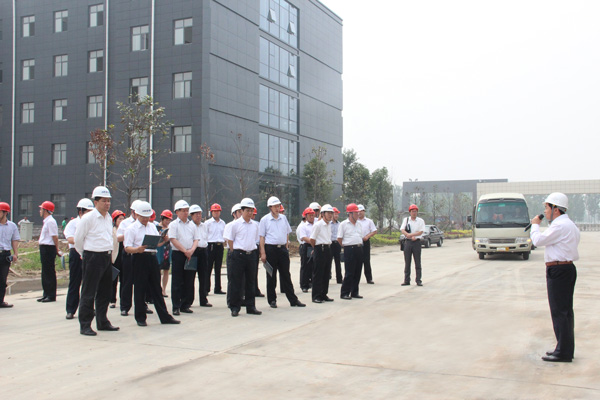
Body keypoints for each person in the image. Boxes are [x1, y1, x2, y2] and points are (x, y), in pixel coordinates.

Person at [530, 193, 580, 363]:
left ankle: (563, 352)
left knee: (559, 312)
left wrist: (535, 225)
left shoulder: (559, 226)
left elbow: (537, 240)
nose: (545, 211)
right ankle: (565, 348)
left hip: (559, 270)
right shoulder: (570, 225)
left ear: (556, 209)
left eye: (547, 207)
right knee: (565, 312)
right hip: (566, 269)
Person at [124, 201, 180, 327]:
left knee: (156, 288)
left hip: (152, 257)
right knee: (140, 288)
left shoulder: (152, 227)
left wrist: (164, 240)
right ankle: (140, 317)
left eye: (147, 217)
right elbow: (127, 247)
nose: (145, 219)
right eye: (143, 217)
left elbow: (156, 244)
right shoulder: (131, 229)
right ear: (137, 215)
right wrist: (137, 249)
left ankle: (164, 316)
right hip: (139, 257)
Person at [74, 186, 119, 336]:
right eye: (104, 201)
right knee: (89, 292)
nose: (107, 204)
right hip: (92, 257)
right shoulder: (88, 218)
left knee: (105, 291)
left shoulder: (108, 218)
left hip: (106, 256)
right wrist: (85, 254)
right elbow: (78, 240)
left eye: (109, 201)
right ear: (96, 202)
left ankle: (102, 321)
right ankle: (85, 324)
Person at [258, 196, 305, 309]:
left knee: (286, 275)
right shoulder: (265, 220)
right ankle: (272, 300)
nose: (277, 208)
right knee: (271, 276)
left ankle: (293, 300)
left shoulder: (283, 218)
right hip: (270, 249)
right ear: (270, 207)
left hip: (282, 249)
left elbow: (287, 232)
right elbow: (262, 237)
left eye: (278, 206)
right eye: (274, 206)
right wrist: (263, 253)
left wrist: (286, 247)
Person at [224, 198, 262, 317]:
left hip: (251, 255)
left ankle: (251, 306)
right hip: (238, 255)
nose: (250, 213)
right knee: (236, 282)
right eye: (247, 210)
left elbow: (255, 239)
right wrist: (234, 252)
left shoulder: (255, 225)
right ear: (242, 211)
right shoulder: (235, 225)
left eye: (251, 210)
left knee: (251, 281)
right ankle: (235, 307)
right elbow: (230, 240)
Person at [64, 198, 95, 319]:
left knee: (89, 284)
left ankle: (88, 309)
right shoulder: (73, 223)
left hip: (89, 253)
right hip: (76, 253)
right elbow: (70, 238)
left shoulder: (93, 223)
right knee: (75, 282)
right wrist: (82, 240)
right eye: (87, 211)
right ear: (80, 211)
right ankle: (71, 309)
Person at [169, 200, 198, 315]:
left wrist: (191, 251)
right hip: (178, 254)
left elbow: (196, 239)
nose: (186, 213)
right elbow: (173, 239)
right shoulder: (173, 225)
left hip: (190, 254)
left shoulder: (192, 225)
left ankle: (185, 305)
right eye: (183, 211)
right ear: (177, 212)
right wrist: (184, 251)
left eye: (187, 210)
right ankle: (176, 306)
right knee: (177, 281)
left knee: (189, 280)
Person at [116, 200, 143, 316]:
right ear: (133, 212)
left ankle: (142, 305)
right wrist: (129, 233)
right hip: (128, 253)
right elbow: (118, 238)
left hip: (141, 254)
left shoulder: (145, 223)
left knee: (141, 281)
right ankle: (125, 306)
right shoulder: (125, 223)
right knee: (127, 281)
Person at [337, 203, 364, 300]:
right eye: (356, 213)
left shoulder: (359, 224)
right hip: (349, 249)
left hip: (359, 248)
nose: (358, 215)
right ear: (350, 214)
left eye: (358, 213)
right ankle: (345, 292)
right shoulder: (343, 224)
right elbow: (339, 238)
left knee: (358, 271)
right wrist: (346, 246)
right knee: (349, 272)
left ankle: (354, 292)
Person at [310, 204, 335, 303]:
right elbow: (312, 239)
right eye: (328, 213)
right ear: (323, 214)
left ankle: (324, 294)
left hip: (328, 248)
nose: (330, 215)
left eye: (331, 213)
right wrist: (316, 248)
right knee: (318, 273)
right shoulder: (318, 225)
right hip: (320, 249)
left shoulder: (329, 225)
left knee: (326, 273)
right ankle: (316, 295)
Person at [38, 201, 61, 302]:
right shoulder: (46, 221)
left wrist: (57, 248)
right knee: (45, 271)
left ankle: (51, 295)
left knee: (49, 271)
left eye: (41, 209)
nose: (40, 211)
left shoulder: (51, 221)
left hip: (49, 248)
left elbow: (54, 237)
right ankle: (46, 293)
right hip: (44, 247)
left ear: (46, 210)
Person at [190, 204, 212, 308]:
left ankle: (203, 299)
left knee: (203, 276)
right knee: (190, 277)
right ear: (191, 215)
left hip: (203, 251)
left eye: (199, 214)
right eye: (196, 214)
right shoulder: (189, 226)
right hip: (193, 252)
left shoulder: (204, 226)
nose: (198, 216)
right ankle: (189, 300)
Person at [0, 202, 20, 308]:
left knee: (3, 279)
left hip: (5, 255)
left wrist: (15, 253)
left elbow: (15, 239)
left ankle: (0, 301)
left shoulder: (12, 226)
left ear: (5, 213)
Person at [401, 204, 425, 286]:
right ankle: (406, 280)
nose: (414, 213)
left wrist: (412, 235)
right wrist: (407, 235)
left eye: (415, 211)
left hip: (416, 242)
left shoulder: (420, 221)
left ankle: (418, 280)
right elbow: (402, 229)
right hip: (408, 242)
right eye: (412, 211)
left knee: (417, 262)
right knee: (407, 262)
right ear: (410, 212)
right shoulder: (406, 220)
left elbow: (421, 231)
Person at [224, 203, 242, 307]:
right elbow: (228, 240)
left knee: (242, 279)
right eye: (239, 212)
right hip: (233, 252)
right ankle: (231, 301)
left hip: (242, 253)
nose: (241, 214)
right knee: (232, 278)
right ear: (234, 214)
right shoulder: (230, 225)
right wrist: (233, 251)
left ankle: (240, 299)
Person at [205, 203, 226, 295]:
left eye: (217, 211)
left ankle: (218, 288)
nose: (216, 213)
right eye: (214, 211)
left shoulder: (223, 223)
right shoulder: (207, 223)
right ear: (211, 212)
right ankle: (206, 288)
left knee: (218, 268)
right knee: (208, 267)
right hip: (210, 245)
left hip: (219, 245)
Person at [357, 204, 377, 284]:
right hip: (357, 242)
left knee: (366, 260)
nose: (359, 213)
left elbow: (374, 231)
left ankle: (369, 278)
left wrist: (367, 236)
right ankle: (356, 278)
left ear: (364, 211)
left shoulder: (369, 221)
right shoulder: (355, 221)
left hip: (365, 242)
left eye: (361, 211)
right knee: (357, 261)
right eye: (358, 211)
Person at [110, 210, 126, 308]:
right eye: (120, 219)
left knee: (124, 280)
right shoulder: (112, 231)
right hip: (115, 257)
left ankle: (123, 301)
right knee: (113, 280)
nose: (121, 221)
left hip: (124, 256)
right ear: (115, 220)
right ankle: (112, 300)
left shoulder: (126, 229)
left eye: (123, 219)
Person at [298, 207, 315, 292]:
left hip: (315, 246)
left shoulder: (316, 224)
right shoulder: (303, 226)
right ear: (306, 216)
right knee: (305, 266)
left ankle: (313, 283)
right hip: (307, 246)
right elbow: (303, 237)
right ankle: (304, 285)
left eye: (313, 215)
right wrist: (313, 242)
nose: (311, 217)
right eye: (310, 215)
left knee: (314, 266)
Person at [156, 210, 173, 297]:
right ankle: (158, 289)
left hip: (167, 250)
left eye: (169, 220)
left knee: (166, 270)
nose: (167, 222)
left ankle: (164, 289)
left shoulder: (170, 228)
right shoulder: (157, 228)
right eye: (166, 219)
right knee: (158, 270)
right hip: (159, 250)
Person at [330, 207, 343, 284]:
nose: (336, 216)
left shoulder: (340, 224)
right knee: (328, 261)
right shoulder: (328, 224)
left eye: (337, 214)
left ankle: (339, 278)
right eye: (335, 214)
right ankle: (328, 276)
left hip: (337, 244)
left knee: (338, 261)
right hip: (330, 244)